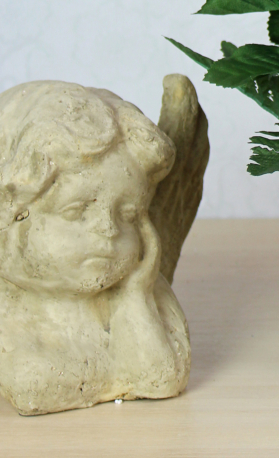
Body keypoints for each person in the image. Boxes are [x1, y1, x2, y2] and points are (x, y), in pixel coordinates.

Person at [0, 81, 191, 415]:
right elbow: (31, 386)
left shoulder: (138, 284)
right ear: (12, 213)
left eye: (128, 213)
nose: (108, 229)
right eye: (76, 210)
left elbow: (164, 376)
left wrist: (134, 297)